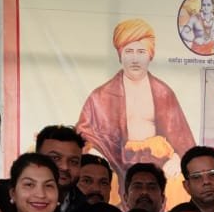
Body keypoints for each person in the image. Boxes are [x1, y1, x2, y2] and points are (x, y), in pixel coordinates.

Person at [77, 18, 196, 181]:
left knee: (177, 186)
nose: (135, 59)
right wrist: (97, 155)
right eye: (129, 51)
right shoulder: (101, 95)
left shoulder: (163, 93)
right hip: (114, 162)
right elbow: (84, 136)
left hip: (158, 163)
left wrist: (177, 159)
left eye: (141, 52)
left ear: (150, 55)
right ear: (120, 55)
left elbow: (183, 140)